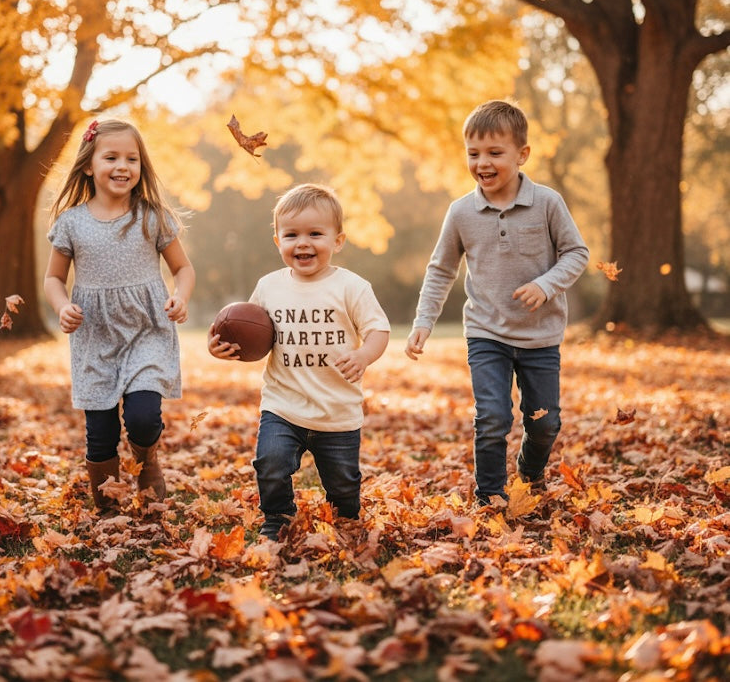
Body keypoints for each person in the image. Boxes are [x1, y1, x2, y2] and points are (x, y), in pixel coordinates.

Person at [405, 100, 589, 506]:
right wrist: (424, 321)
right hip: (486, 333)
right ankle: (490, 495)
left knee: (545, 423)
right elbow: (440, 270)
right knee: (492, 418)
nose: (482, 163)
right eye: (473, 153)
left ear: (522, 155)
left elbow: (576, 253)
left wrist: (546, 284)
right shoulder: (461, 212)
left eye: (494, 153)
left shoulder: (547, 203)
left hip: (540, 336)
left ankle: (530, 470)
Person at [208, 183, 390, 539]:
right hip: (283, 405)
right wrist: (222, 347)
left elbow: (379, 330)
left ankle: (346, 516)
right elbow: (250, 332)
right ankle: (278, 517)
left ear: (338, 240)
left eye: (315, 234)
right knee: (270, 463)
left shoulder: (352, 287)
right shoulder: (269, 286)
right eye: (291, 234)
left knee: (343, 485)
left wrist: (363, 355)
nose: (302, 243)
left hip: (336, 409)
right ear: (277, 241)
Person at [44, 118, 195, 511]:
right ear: (88, 165)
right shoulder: (71, 222)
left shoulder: (151, 216)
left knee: (144, 416)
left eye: (132, 158)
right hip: (95, 335)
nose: (123, 166)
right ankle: (108, 505)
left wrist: (181, 296)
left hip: (147, 330)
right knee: (101, 432)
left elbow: (183, 268)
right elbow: (53, 279)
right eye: (111, 157)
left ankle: (148, 464)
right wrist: (63, 308)